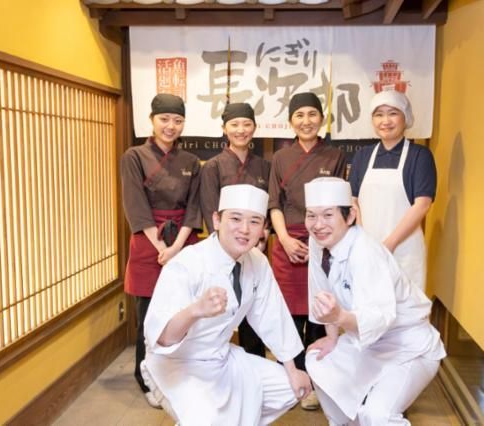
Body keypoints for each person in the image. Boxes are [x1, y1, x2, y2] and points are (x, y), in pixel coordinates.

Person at [141, 185, 311, 425]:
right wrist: (196, 310)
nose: (245, 229)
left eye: (254, 221)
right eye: (236, 219)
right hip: (177, 363)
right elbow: (162, 338)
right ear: (217, 220)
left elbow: (273, 316)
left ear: (263, 228)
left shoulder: (257, 261)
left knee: (290, 387)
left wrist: (293, 370)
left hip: (220, 357)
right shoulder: (187, 263)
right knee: (208, 419)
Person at [304, 177, 446, 426]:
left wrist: (340, 317)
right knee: (318, 360)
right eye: (311, 216)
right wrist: (332, 337)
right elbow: (321, 290)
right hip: (367, 343)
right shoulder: (318, 243)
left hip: (409, 346)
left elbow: (379, 318)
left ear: (350, 216)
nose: (318, 225)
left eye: (327, 215)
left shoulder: (365, 252)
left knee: (377, 415)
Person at [120, 93, 202, 408]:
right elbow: (135, 206)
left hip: (183, 242)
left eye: (177, 120)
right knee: (149, 315)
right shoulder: (134, 156)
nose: (171, 126)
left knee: (184, 312)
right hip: (148, 243)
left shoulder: (191, 162)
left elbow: (194, 208)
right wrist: (162, 247)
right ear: (151, 120)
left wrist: (177, 247)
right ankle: (147, 377)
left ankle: (179, 373)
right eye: (164, 119)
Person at [268, 92, 347, 410]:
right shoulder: (280, 158)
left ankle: (316, 383)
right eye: (299, 115)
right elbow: (274, 203)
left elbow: (339, 206)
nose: (306, 121)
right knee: (287, 316)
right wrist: (285, 239)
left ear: (322, 119)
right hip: (287, 243)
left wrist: (321, 242)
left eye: (312, 114)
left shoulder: (335, 155)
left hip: (323, 242)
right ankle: (290, 381)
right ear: (291, 121)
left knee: (319, 314)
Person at [199, 103, 270, 357]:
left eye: (247, 124)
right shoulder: (213, 166)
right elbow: (210, 209)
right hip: (224, 250)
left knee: (254, 306)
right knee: (222, 306)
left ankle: (254, 360)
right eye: (235, 124)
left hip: (256, 248)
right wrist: (225, 246)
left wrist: (262, 237)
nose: (241, 130)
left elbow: (268, 206)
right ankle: (215, 359)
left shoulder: (263, 166)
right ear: (224, 128)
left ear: (254, 128)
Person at [349, 90, 436, 291]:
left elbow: (422, 205)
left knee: (405, 307)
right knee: (369, 305)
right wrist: (365, 241)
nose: (385, 121)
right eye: (379, 114)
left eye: (393, 113)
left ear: (406, 117)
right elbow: (353, 200)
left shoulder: (419, 156)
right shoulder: (363, 156)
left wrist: (389, 244)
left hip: (405, 253)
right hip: (368, 251)